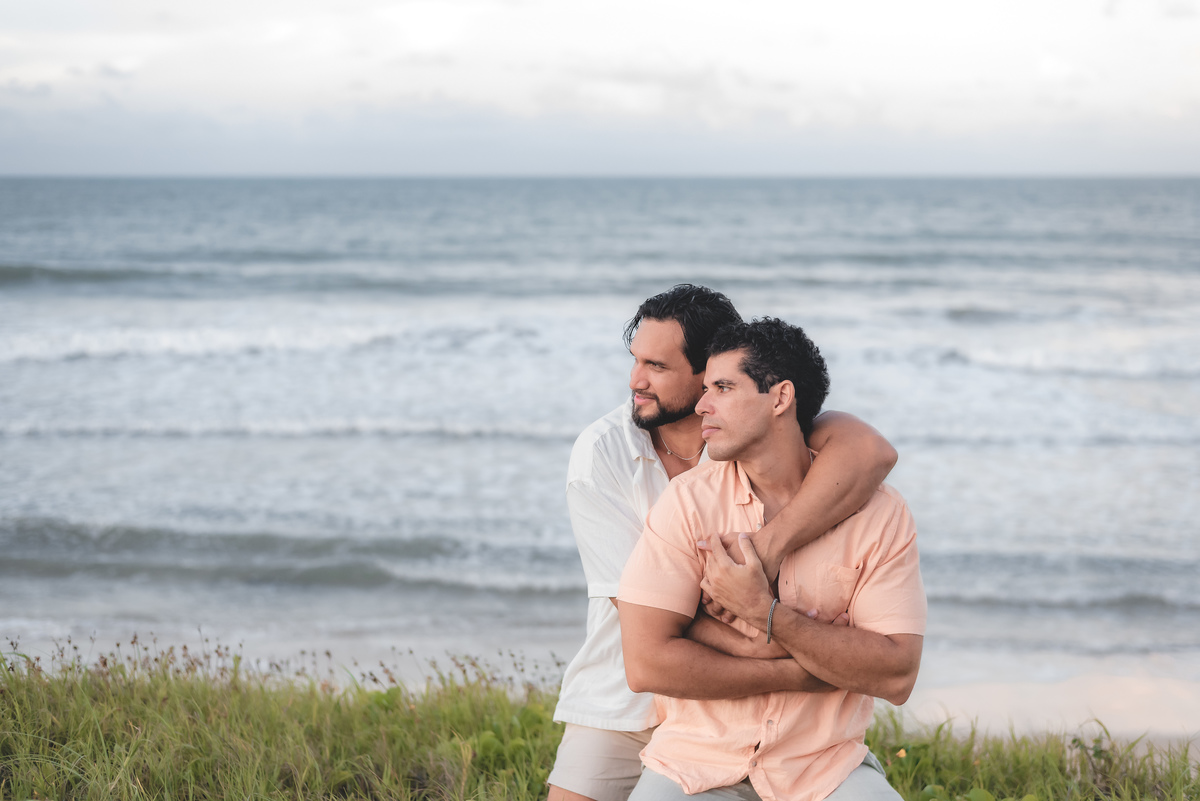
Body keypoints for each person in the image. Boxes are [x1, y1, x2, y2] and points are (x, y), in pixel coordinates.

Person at [549, 286, 900, 801]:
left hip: (739, 711)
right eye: (635, 361)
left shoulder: (755, 438)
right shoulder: (602, 453)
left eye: (657, 366)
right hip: (628, 693)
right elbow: (652, 616)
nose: (634, 381)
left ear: (709, 370)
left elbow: (870, 452)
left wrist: (764, 551)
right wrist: (793, 659)